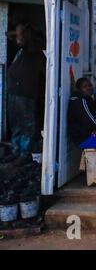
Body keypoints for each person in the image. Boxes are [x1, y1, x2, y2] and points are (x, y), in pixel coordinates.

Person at [3, 23, 46, 165]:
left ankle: (25, 153)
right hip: (15, 91)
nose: (17, 38)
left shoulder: (34, 47)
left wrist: (21, 32)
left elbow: (20, 39)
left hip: (25, 92)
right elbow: (7, 35)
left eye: (20, 34)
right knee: (15, 122)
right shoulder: (23, 50)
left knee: (26, 124)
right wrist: (18, 32)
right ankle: (16, 150)